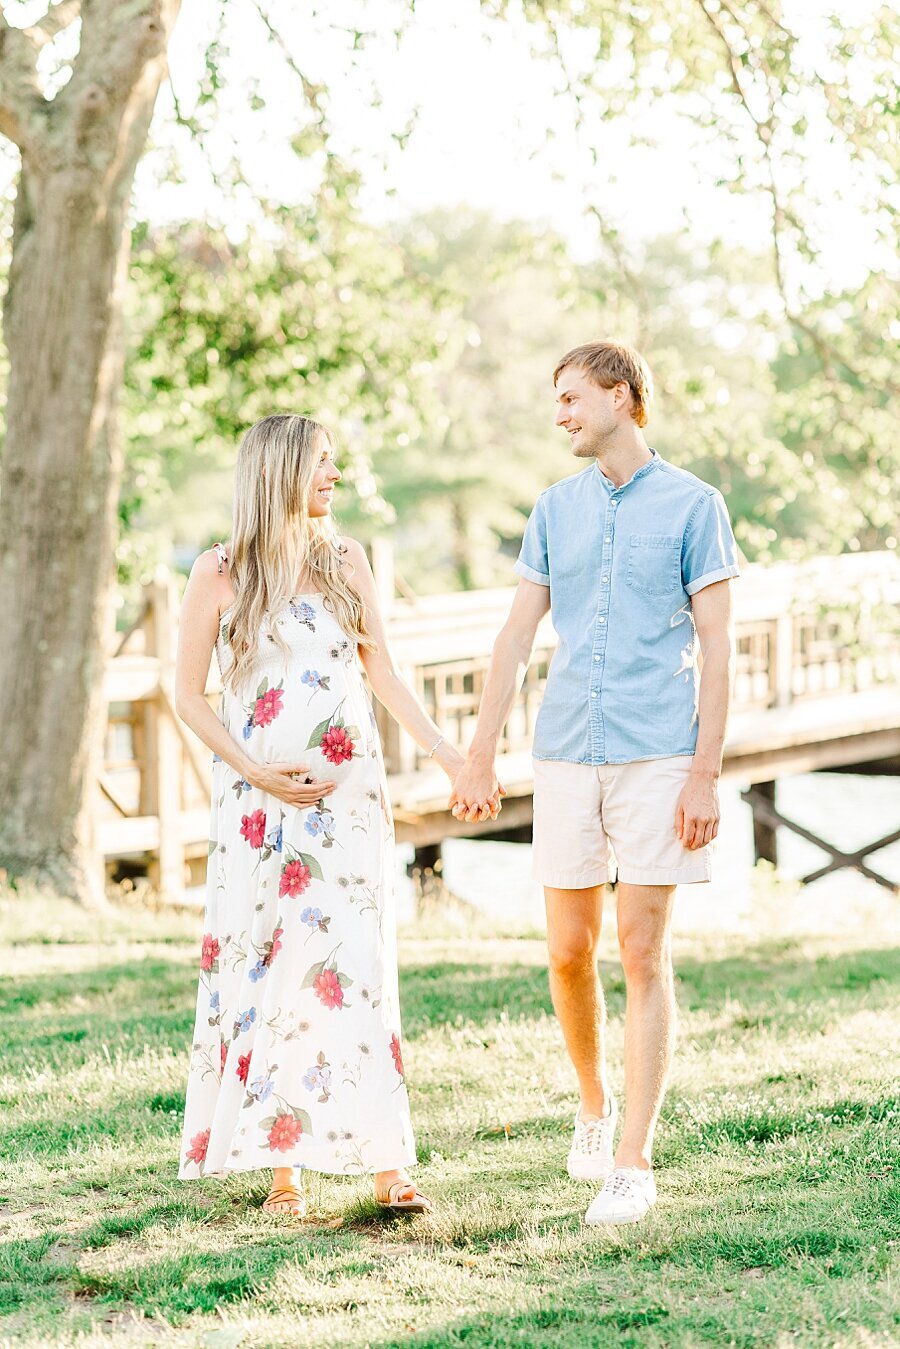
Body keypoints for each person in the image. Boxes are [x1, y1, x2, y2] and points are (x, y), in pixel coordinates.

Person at [175, 413, 499, 1217]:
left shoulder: (345, 559)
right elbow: (187, 694)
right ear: (280, 470)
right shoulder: (219, 572)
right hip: (257, 811)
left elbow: (380, 673)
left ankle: (389, 1163)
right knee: (275, 970)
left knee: (359, 968)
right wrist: (253, 769)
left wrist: (451, 755)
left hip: (351, 808)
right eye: (323, 463)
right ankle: (284, 1172)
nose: (335, 476)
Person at [449, 341, 739, 1225]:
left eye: (573, 398)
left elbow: (719, 648)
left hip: (659, 752)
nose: (563, 415)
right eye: (558, 401)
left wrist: (704, 774)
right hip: (567, 748)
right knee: (569, 949)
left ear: (622, 396)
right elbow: (514, 638)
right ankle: (592, 1101)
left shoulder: (696, 506)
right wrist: (478, 749)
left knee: (642, 949)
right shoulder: (553, 509)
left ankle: (633, 1162)